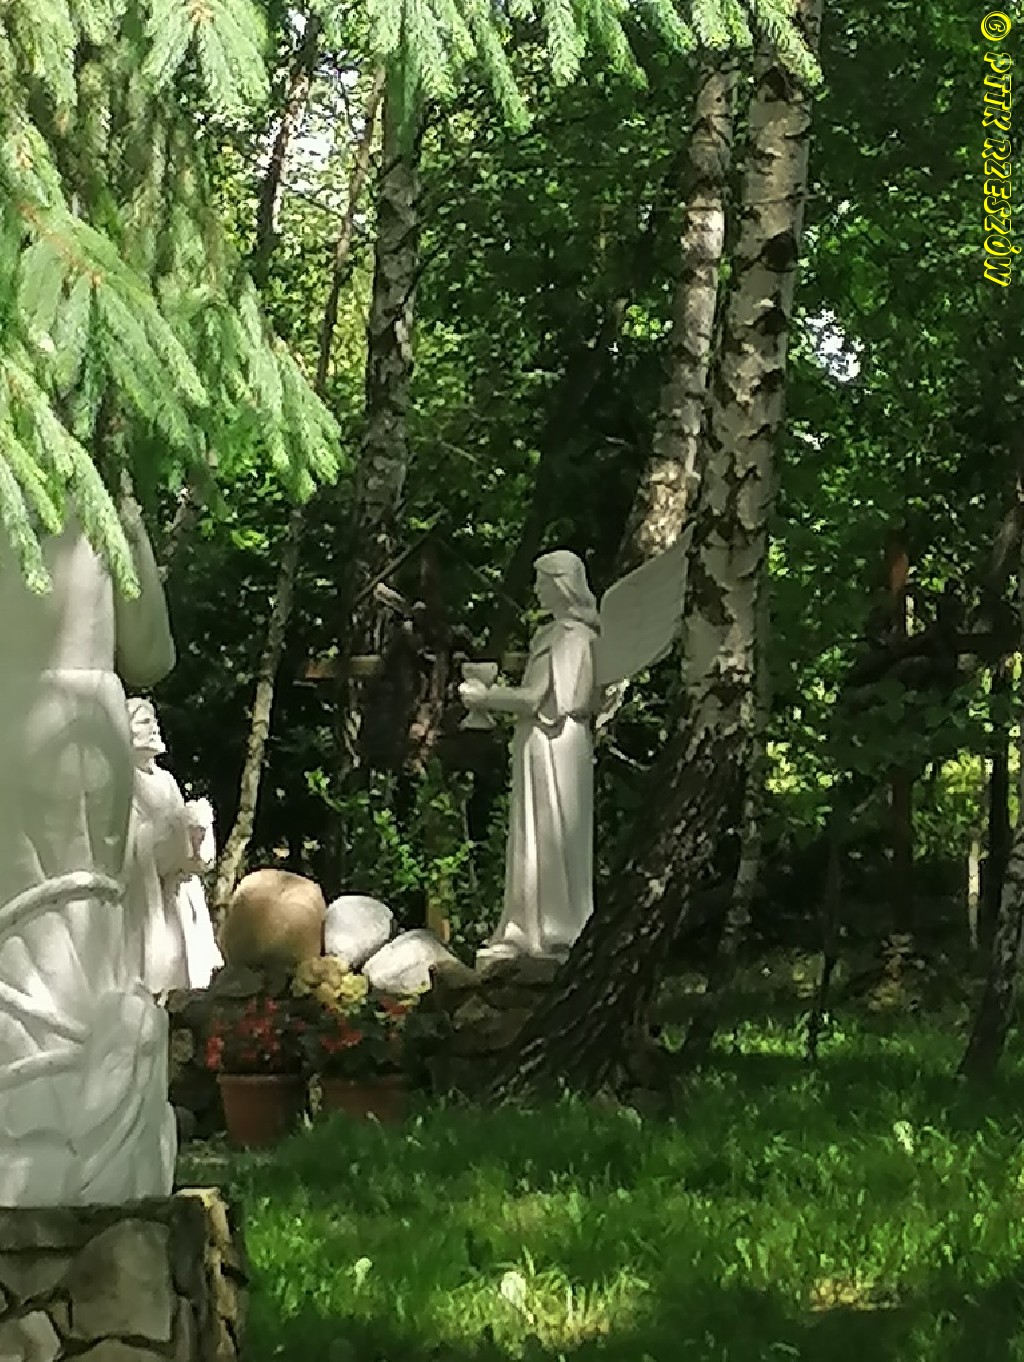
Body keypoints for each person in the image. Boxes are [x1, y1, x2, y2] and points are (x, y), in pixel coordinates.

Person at [0, 498, 178, 1205]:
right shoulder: (98, 493)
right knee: (84, 930)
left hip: (12, 716)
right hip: (94, 725)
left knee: (22, 939)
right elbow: (153, 654)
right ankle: (92, 1127)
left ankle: (34, 1131)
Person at [460, 550, 599, 960]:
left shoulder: (570, 636)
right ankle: (528, 927)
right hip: (544, 741)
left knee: (552, 833)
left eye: (542, 581)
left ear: (561, 584)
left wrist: (484, 697)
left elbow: (536, 699)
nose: (536, 589)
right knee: (537, 834)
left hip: (554, 741)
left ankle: (557, 928)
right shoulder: (556, 634)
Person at [126, 698, 223, 994]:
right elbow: (133, 840)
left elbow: (184, 837)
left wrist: (197, 831)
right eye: (145, 721)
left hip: (179, 890)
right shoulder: (125, 781)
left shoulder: (166, 780)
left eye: (154, 721)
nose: (154, 728)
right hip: (148, 895)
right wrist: (176, 829)